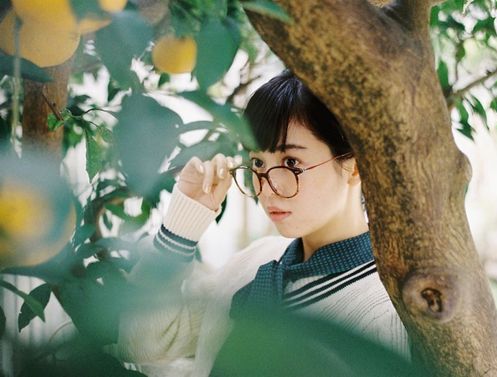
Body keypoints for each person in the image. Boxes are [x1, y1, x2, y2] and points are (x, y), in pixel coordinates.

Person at [114, 70, 409, 377]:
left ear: (354, 165)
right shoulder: (256, 262)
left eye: (291, 163)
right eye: (257, 163)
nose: (266, 188)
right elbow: (142, 346)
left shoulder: (381, 309)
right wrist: (180, 229)